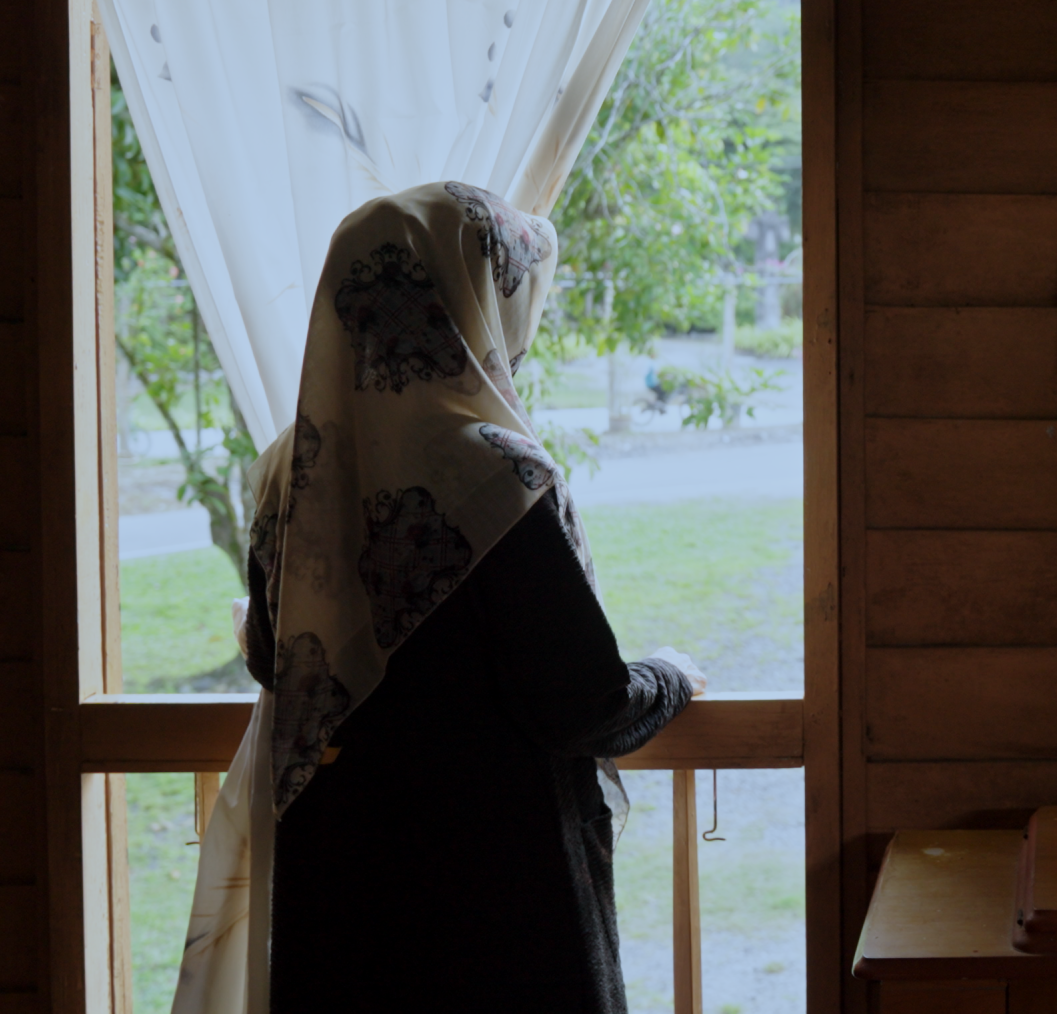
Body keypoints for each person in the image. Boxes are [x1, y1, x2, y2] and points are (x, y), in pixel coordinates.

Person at [175, 182, 705, 1014]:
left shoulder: (295, 465)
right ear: (471, 300)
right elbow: (581, 701)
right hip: (493, 896)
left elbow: (280, 656)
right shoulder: (494, 471)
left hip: (340, 878)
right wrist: (669, 675)